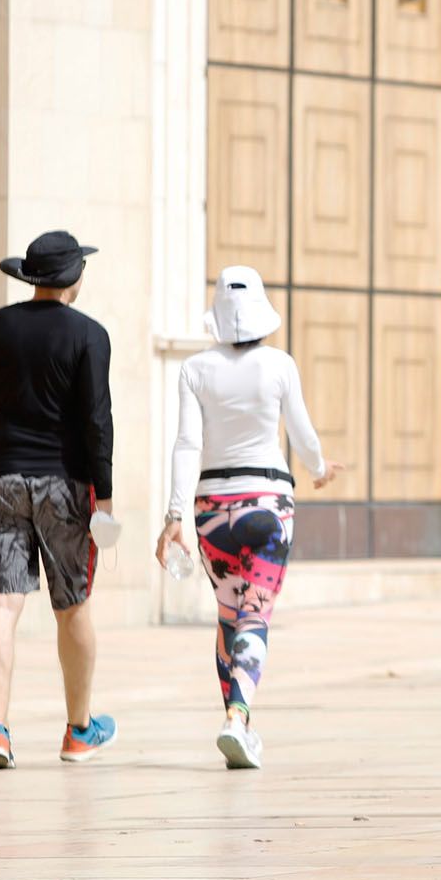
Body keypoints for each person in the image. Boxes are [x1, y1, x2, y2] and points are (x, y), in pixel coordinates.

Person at [157, 268, 344, 769]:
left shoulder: (194, 369)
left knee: (227, 615)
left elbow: (186, 444)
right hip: (268, 504)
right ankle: (238, 718)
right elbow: (302, 435)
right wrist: (321, 469)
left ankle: (238, 726)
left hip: (212, 509)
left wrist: (174, 513)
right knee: (255, 615)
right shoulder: (280, 365)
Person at [0, 231, 116, 769]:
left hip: (1, 478)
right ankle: (78, 731)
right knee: (71, 605)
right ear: (74, 277)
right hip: (65, 486)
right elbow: (97, 423)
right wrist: (106, 497)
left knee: (2, 605)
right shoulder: (89, 335)